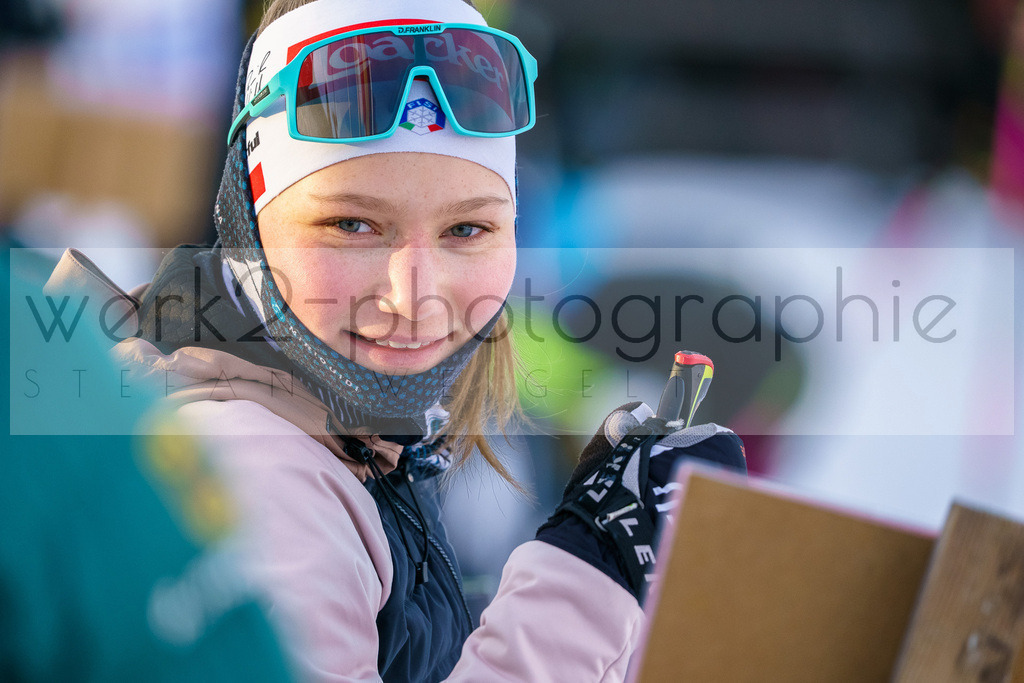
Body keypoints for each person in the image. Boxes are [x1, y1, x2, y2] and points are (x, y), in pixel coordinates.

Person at [45, 0, 747, 679]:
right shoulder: (256, 467)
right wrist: (588, 572)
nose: (414, 294)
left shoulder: (343, 434)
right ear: (249, 218)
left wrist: (620, 578)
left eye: (467, 230)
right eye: (353, 225)